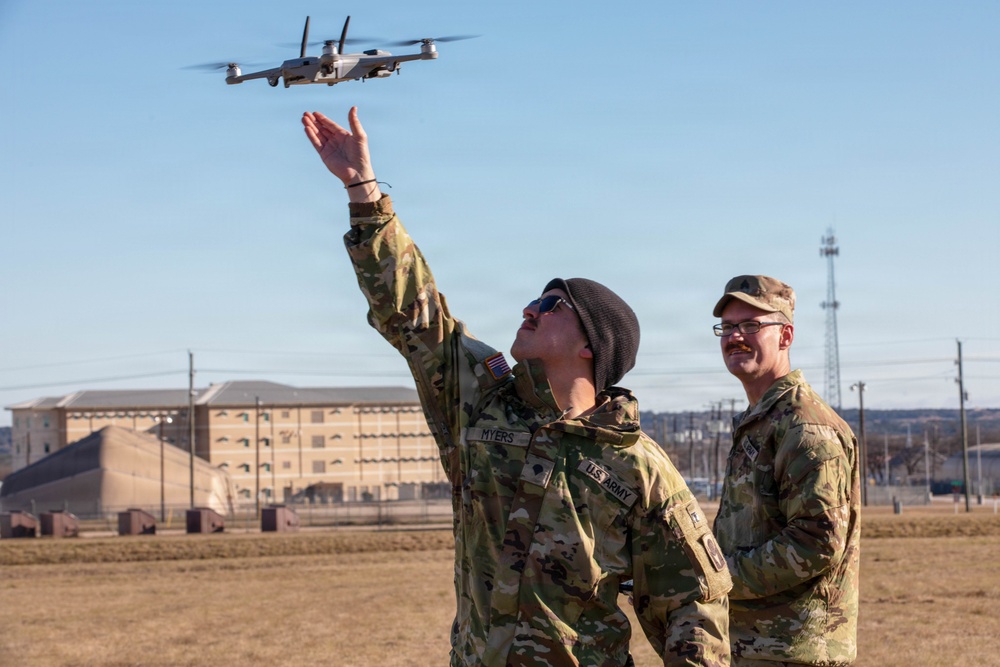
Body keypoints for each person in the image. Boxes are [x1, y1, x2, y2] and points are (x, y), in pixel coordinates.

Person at [302, 107, 732, 667]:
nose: (530, 308)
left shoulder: (638, 467)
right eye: (536, 298)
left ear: (591, 347)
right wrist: (363, 189)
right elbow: (415, 313)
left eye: (553, 306)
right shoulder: (481, 402)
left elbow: (693, 603)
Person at [710, 275, 860, 667]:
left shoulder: (806, 427)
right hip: (752, 645)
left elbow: (816, 542)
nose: (735, 337)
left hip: (794, 651)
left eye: (751, 326)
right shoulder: (761, 420)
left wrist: (715, 577)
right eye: (727, 328)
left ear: (786, 335)